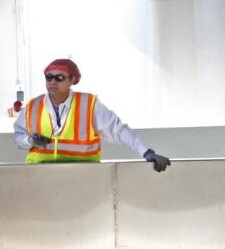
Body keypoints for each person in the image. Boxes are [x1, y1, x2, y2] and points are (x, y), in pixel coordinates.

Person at [13, 59, 171, 171]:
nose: (53, 81)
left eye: (59, 77)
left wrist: (146, 152)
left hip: (85, 176)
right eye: (49, 77)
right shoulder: (33, 106)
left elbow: (117, 131)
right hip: (39, 175)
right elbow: (19, 139)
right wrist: (30, 140)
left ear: (72, 80)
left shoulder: (89, 104)